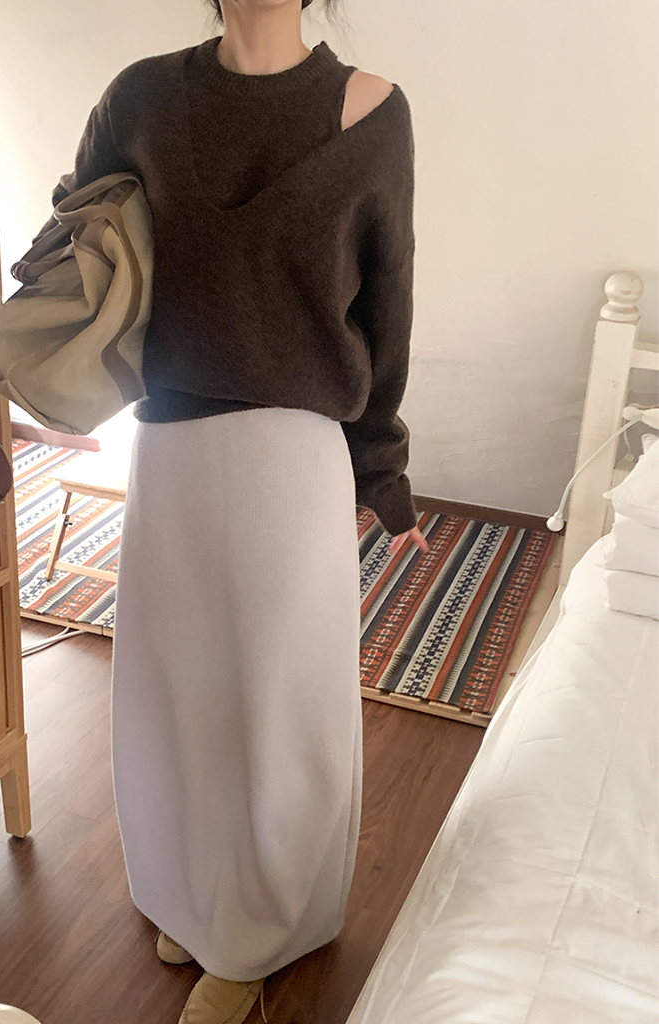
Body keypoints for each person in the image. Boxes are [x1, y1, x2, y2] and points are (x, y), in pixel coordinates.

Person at [28, 1, 428, 1020]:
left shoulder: (375, 111)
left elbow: (387, 308)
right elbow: (73, 230)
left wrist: (381, 472)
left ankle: (259, 934)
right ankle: (192, 894)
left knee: (279, 702)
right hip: (171, 441)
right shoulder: (141, 97)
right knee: (175, 688)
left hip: (295, 455)